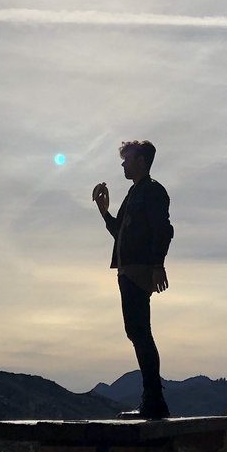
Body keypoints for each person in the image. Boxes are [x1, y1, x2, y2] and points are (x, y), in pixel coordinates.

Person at [92, 139, 173, 420]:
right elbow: (120, 232)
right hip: (128, 271)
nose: (123, 164)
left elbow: (164, 230)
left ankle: (154, 402)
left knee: (140, 332)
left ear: (141, 161)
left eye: (127, 159)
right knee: (137, 332)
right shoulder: (134, 193)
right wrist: (104, 211)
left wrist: (158, 265)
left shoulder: (153, 191)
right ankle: (153, 400)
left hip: (138, 271)